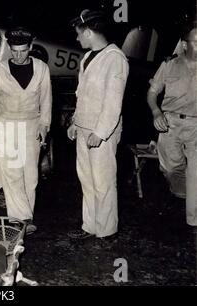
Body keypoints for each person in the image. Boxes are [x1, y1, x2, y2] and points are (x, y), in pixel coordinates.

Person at [67, 9, 129, 240]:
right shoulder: (87, 57)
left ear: (90, 32)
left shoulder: (114, 58)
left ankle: (106, 230)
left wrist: (101, 133)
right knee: (86, 178)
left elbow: (113, 102)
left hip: (101, 131)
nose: (77, 39)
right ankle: (90, 225)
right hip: (84, 127)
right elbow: (82, 94)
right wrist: (75, 121)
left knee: (103, 180)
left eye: (79, 34)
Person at [0, 27, 52, 234]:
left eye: (23, 50)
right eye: (14, 51)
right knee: (12, 174)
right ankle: (20, 219)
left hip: (32, 125)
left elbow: (46, 100)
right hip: (6, 125)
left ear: (31, 47)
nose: (19, 55)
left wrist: (44, 126)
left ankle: (25, 216)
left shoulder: (41, 68)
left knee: (30, 175)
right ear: (9, 49)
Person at [146, 25, 197, 227]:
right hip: (170, 123)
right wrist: (156, 111)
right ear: (185, 45)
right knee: (171, 168)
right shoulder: (169, 65)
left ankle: (193, 222)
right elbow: (152, 94)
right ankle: (183, 190)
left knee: (195, 173)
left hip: (195, 126)